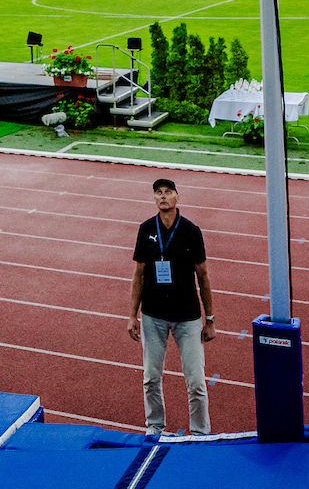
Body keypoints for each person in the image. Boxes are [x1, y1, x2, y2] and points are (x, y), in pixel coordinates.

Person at [128, 176, 213, 435]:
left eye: (168, 192)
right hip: (153, 315)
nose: (163, 196)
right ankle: (154, 427)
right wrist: (132, 315)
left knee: (196, 381)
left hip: (187, 317)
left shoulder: (190, 231)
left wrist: (210, 318)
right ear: (154, 198)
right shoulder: (146, 229)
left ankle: (199, 432)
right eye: (158, 192)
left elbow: (203, 276)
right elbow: (139, 273)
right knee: (151, 378)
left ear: (177, 197)